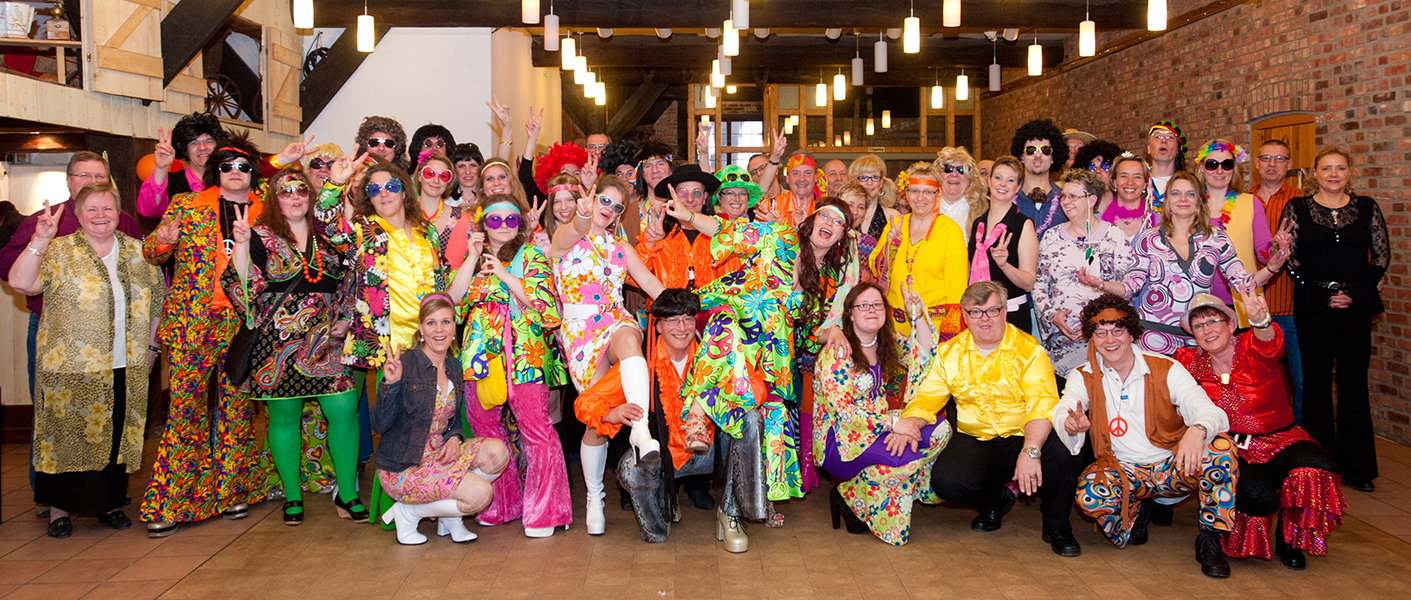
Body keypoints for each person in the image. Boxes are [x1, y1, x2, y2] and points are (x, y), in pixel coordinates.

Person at [9, 183, 164, 538]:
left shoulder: (139, 253)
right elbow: (20, 282)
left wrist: (152, 349)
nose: (100, 216)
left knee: (115, 435)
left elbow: (158, 303)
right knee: (66, 437)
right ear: (78, 215)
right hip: (70, 366)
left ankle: (109, 504)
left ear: (119, 213)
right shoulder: (58, 250)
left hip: (126, 362)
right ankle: (59, 511)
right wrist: (40, 239)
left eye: (107, 208)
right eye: (91, 209)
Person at [889, 281, 1083, 557]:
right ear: (964, 315)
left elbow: (1042, 406)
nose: (985, 319)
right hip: (977, 437)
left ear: (1004, 311)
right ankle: (995, 500)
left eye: (992, 310)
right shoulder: (949, 353)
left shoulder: (1030, 350)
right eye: (976, 312)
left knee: (1063, 453)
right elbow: (928, 396)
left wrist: (1031, 450)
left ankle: (1058, 527)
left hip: (1024, 433)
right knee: (946, 481)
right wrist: (910, 423)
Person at [140, 134, 273, 537]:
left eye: (243, 166)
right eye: (227, 166)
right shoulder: (187, 205)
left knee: (236, 410)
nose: (235, 172)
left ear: (253, 173)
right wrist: (163, 240)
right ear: (216, 170)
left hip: (242, 324)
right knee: (185, 410)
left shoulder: (267, 213)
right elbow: (153, 253)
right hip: (191, 322)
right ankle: (172, 501)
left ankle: (234, 491)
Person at [1052, 293, 1237, 578]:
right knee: (1090, 495)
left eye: (1117, 330)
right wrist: (1070, 423)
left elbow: (1212, 413)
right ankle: (1136, 510)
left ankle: (1210, 539)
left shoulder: (1165, 367)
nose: (1110, 340)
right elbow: (1064, 407)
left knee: (1221, 447)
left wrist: (1197, 431)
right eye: (1100, 333)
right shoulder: (1083, 375)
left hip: (1174, 465)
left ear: (1132, 333)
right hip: (1124, 471)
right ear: (1092, 338)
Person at [663, 183, 801, 553]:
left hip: (771, 374)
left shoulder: (802, 264)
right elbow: (724, 232)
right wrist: (689, 216)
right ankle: (698, 411)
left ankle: (734, 510)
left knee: (758, 427)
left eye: (837, 224)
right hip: (733, 375)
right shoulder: (747, 269)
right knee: (723, 323)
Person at [226, 169, 364, 527]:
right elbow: (242, 287)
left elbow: (353, 277)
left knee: (344, 411)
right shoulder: (259, 235)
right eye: (286, 192)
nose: (295, 197)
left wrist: (347, 317)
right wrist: (242, 245)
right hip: (277, 342)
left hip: (328, 340)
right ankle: (292, 495)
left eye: (301, 190)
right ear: (274, 199)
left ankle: (347, 492)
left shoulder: (329, 235)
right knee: (284, 417)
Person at [1174, 291, 1346, 571]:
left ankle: (1290, 539)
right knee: (1259, 498)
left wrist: (1261, 321)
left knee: (1316, 467)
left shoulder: (1251, 345)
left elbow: (1269, 341)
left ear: (1231, 325)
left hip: (1282, 439)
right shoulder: (1187, 360)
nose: (1207, 330)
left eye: (1213, 321)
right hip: (1232, 447)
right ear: (1192, 334)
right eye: (1199, 326)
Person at [315, 154, 452, 496]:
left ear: (404, 190)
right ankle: (394, 496)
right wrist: (336, 182)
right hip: (388, 344)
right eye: (374, 189)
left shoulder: (427, 232)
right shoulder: (363, 231)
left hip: (430, 340)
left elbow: (441, 280)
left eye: (390, 186)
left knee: (433, 418)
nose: (384, 193)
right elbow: (324, 223)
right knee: (396, 423)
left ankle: (433, 486)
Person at [446, 194, 572, 538]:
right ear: (483, 225)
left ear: (520, 224)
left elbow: (547, 308)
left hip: (525, 355)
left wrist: (503, 274)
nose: (503, 226)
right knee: (485, 428)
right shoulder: (474, 259)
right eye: (495, 219)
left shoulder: (531, 255)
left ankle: (548, 511)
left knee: (536, 429)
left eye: (511, 219)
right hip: (481, 357)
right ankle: (502, 505)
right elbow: (451, 304)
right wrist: (472, 258)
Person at [551, 175, 666, 536]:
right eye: (605, 201)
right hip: (579, 333)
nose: (609, 210)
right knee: (598, 422)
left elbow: (651, 285)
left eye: (617, 206)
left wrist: (691, 307)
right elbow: (574, 229)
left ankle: (641, 433)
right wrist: (583, 215)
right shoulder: (565, 237)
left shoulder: (621, 248)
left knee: (631, 338)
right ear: (590, 198)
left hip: (615, 319)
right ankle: (594, 497)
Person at [1279, 146, 1388, 492]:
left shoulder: (1367, 207)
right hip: (1314, 307)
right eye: (1326, 168)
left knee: (1354, 384)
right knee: (1315, 385)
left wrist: (1356, 293)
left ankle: (1358, 468)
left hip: (1355, 308)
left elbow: (1381, 255)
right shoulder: (1298, 208)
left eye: (1340, 168)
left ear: (1349, 172)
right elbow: (1289, 257)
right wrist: (1323, 293)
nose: (1333, 174)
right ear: (1315, 173)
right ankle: (1318, 466)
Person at [1081, 171, 1286, 354]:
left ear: (1200, 200)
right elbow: (1130, 287)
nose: (1183, 199)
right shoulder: (1149, 238)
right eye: (1176, 193)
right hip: (1153, 336)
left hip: (1199, 337)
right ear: (1168, 200)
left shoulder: (1216, 238)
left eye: (1190, 194)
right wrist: (1101, 284)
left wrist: (1271, 268)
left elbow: (1243, 283)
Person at [816, 282, 949, 545]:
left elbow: (923, 356)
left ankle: (861, 491)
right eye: (863, 305)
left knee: (940, 431)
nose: (871, 310)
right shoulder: (837, 353)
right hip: (842, 440)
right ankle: (852, 496)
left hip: (881, 428)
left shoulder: (886, 341)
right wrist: (895, 423)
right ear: (850, 314)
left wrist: (916, 313)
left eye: (877, 305)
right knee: (908, 457)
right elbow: (844, 414)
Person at [374, 294, 511, 545]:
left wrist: (455, 438)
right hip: (404, 465)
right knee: (481, 496)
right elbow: (379, 424)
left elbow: (452, 421)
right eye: (431, 323)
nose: (439, 330)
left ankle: (449, 517)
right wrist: (389, 385)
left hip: (439, 455)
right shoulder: (405, 364)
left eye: (446, 322)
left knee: (498, 453)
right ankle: (407, 513)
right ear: (420, 328)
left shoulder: (453, 366)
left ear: (454, 326)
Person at [575, 289, 709, 541]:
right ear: (657, 326)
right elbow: (585, 402)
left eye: (688, 319)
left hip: (705, 451)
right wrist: (610, 412)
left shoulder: (712, 355)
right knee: (631, 469)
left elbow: (753, 386)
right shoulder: (640, 363)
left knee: (749, 422)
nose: (682, 328)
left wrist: (717, 402)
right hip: (661, 456)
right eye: (673, 320)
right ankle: (656, 524)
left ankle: (732, 515)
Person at [1033, 169, 1138, 388]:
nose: (1066, 201)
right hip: (1061, 340)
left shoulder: (1114, 237)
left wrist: (1097, 319)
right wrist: (1053, 316)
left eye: (1073, 196)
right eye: (1063, 196)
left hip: (1104, 339)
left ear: (1092, 200)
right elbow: (1039, 284)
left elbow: (1129, 288)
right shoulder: (1051, 236)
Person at [791, 199, 861, 493]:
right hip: (774, 345)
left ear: (842, 235)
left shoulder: (835, 270)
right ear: (812, 220)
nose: (830, 224)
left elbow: (824, 320)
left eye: (838, 222)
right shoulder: (788, 250)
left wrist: (831, 331)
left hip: (809, 344)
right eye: (825, 217)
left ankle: (826, 464)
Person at [869, 162, 969, 340]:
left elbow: (957, 287)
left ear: (937, 194)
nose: (920, 198)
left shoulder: (950, 230)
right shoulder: (895, 225)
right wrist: (889, 246)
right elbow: (876, 271)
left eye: (928, 192)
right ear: (906, 194)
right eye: (914, 191)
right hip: (895, 326)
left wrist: (949, 334)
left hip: (934, 326)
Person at [1249, 139, 1304, 422]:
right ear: (1256, 163)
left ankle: (1302, 438)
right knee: (1256, 382)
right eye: (1266, 158)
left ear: (1289, 164)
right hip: (1250, 309)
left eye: (1280, 158)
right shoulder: (1241, 201)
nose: (1272, 164)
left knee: (1302, 379)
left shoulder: (1302, 201)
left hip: (1293, 307)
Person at [1195, 139, 1273, 325]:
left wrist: (1278, 250)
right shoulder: (1189, 204)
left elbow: (1265, 254)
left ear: (1234, 169)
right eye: (1212, 164)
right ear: (1202, 167)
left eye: (1227, 164)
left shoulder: (1250, 203)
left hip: (1240, 300)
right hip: (1196, 301)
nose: (1219, 171)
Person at [968, 156, 1037, 332]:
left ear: (1018, 187)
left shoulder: (1023, 225)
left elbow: (1028, 283)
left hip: (1011, 317)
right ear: (989, 181)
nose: (1003, 184)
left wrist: (1004, 265)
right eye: (998, 177)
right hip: (979, 316)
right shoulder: (978, 224)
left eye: (1010, 180)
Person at [637, 165, 723, 292]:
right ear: (673, 198)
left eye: (696, 193)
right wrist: (650, 243)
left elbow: (733, 284)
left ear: (704, 198)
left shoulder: (720, 236)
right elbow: (631, 279)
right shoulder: (659, 235)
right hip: (666, 305)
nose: (690, 199)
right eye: (683, 193)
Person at [137, 113, 226, 218]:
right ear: (185, 149)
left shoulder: (228, 181)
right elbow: (148, 211)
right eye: (194, 143)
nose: (202, 147)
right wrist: (161, 168)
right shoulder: (171, 183)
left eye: (208, 141)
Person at [1011, 119, 1070, 236]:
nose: (1038, 155)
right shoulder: (1008, 198)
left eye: (1045, 150)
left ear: (1053, 158)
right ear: (1021, 157)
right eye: (1031, 150)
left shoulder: (1067, 200)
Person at [934, 147, 986, 242]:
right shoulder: (925, 205)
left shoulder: (984, 209)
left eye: (961, 170)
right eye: (948, 169)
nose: (954, 174)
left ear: (970, 179)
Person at [413, 153, 462, 255]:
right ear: (419, 177)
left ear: (449, 182)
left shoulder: (459, 215)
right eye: (429, 174)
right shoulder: (403, 213)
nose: (436, 180)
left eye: (443, 176)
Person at [1101, 153, 1158, 240]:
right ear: (1114, 182)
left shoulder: (1159, 222)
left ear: (1145, 184)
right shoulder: (1098, 223)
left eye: (1137, 177)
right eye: (1124, 176)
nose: (1130, 182)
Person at [847, 154, 902, 242]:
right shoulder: (843, 213)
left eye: (875, 177)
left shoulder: (892, 216)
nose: (869, 182)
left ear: (881, 182)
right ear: (854, 181)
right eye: (864, 177)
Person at [765, 152, 826, 227]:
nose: (802, 179)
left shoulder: (826, 210)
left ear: (816, 177)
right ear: (787, 178)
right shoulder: (770, 206)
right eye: (796, 173)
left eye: (807, 173)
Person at [836, 183, 879, 282]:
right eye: (849, 205)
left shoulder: (869, 245)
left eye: (860, 207)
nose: (855, 212)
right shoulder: (826, 240)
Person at [1145, 121, 1188, 214]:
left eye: (1170, 137)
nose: (1164, 140)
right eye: (1158, 137)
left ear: (1178, 149)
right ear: (1148, 148)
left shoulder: (1187, 185)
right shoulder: (1138, 181)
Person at [1073, 140, 1123, 214]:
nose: (1098, 170)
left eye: (1105, 166)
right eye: (1092, 167)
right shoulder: (1079, 209)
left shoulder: (1126, 206)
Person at [450, 142, 485, 210]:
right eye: (461, 166)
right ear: (454, 170)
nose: (468, 172)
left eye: (472, 165)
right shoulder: (445, 202)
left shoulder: (489, 200)